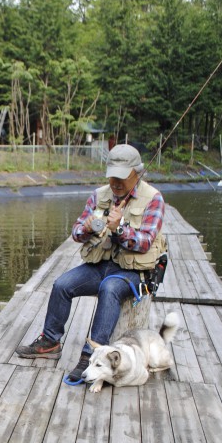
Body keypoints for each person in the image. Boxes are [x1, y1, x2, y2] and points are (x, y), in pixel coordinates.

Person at [15, 144, 166, 383]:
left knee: (110, 289)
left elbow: (146, 242)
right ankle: (50, 343)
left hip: (133, 271)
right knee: (62, 284)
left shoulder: (153, 199)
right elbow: (76, 232)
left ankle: (90, 356)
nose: (115, 182)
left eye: (122, 176)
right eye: (112, 175)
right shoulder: (99, 195)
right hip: (100, 265)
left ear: (136, 173)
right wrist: (84, 229)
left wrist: (121, 230)